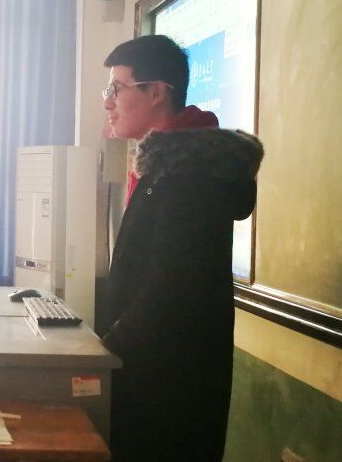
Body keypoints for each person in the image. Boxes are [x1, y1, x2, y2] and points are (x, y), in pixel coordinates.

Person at [100, 35, 263, 461]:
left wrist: (107, 347)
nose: (108, 102)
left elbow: (170, 288)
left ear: (156, 92)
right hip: (152, 375)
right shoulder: (169, 165)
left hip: (169, 390)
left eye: (117, 88)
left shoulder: (190, 174)